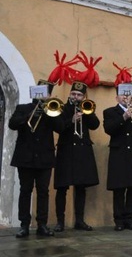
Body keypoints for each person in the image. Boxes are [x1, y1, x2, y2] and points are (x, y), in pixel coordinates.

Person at [9, 80, 64, 237]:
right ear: (33, 93)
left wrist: (48, 113)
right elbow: (12, 124)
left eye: (46, 93)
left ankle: (42, 224)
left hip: (44, 158)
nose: (42, 95)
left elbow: (60, 127)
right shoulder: (22, 108)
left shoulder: (52, 109)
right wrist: (30, 114)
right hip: (25, 157)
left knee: (43, 192)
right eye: (39, 92)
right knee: (25, 191)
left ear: (49, 95)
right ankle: (24, 225)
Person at [53, 81, 100, 232]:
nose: (76, 97)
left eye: (79, 95)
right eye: (74, 94)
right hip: (66, 151)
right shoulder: (62, 108)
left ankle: (79, 220)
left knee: (81, 187)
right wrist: (71, 120)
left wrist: (87, 112)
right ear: (70, 94)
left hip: (82, 152)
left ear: (83, 96)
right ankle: (60, 221)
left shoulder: (86, 108)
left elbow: (95, 125)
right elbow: (58, 127)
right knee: (62, 188)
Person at [103, 83, 132, 231]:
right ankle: (119, 220)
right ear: (117, 97)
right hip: (119, 155)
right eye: (122, 94)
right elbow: (109, 129)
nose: (125, 96)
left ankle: (130, 218)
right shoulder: (110, 112)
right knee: (119, 189)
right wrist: (124, 116)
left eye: (128, 94)